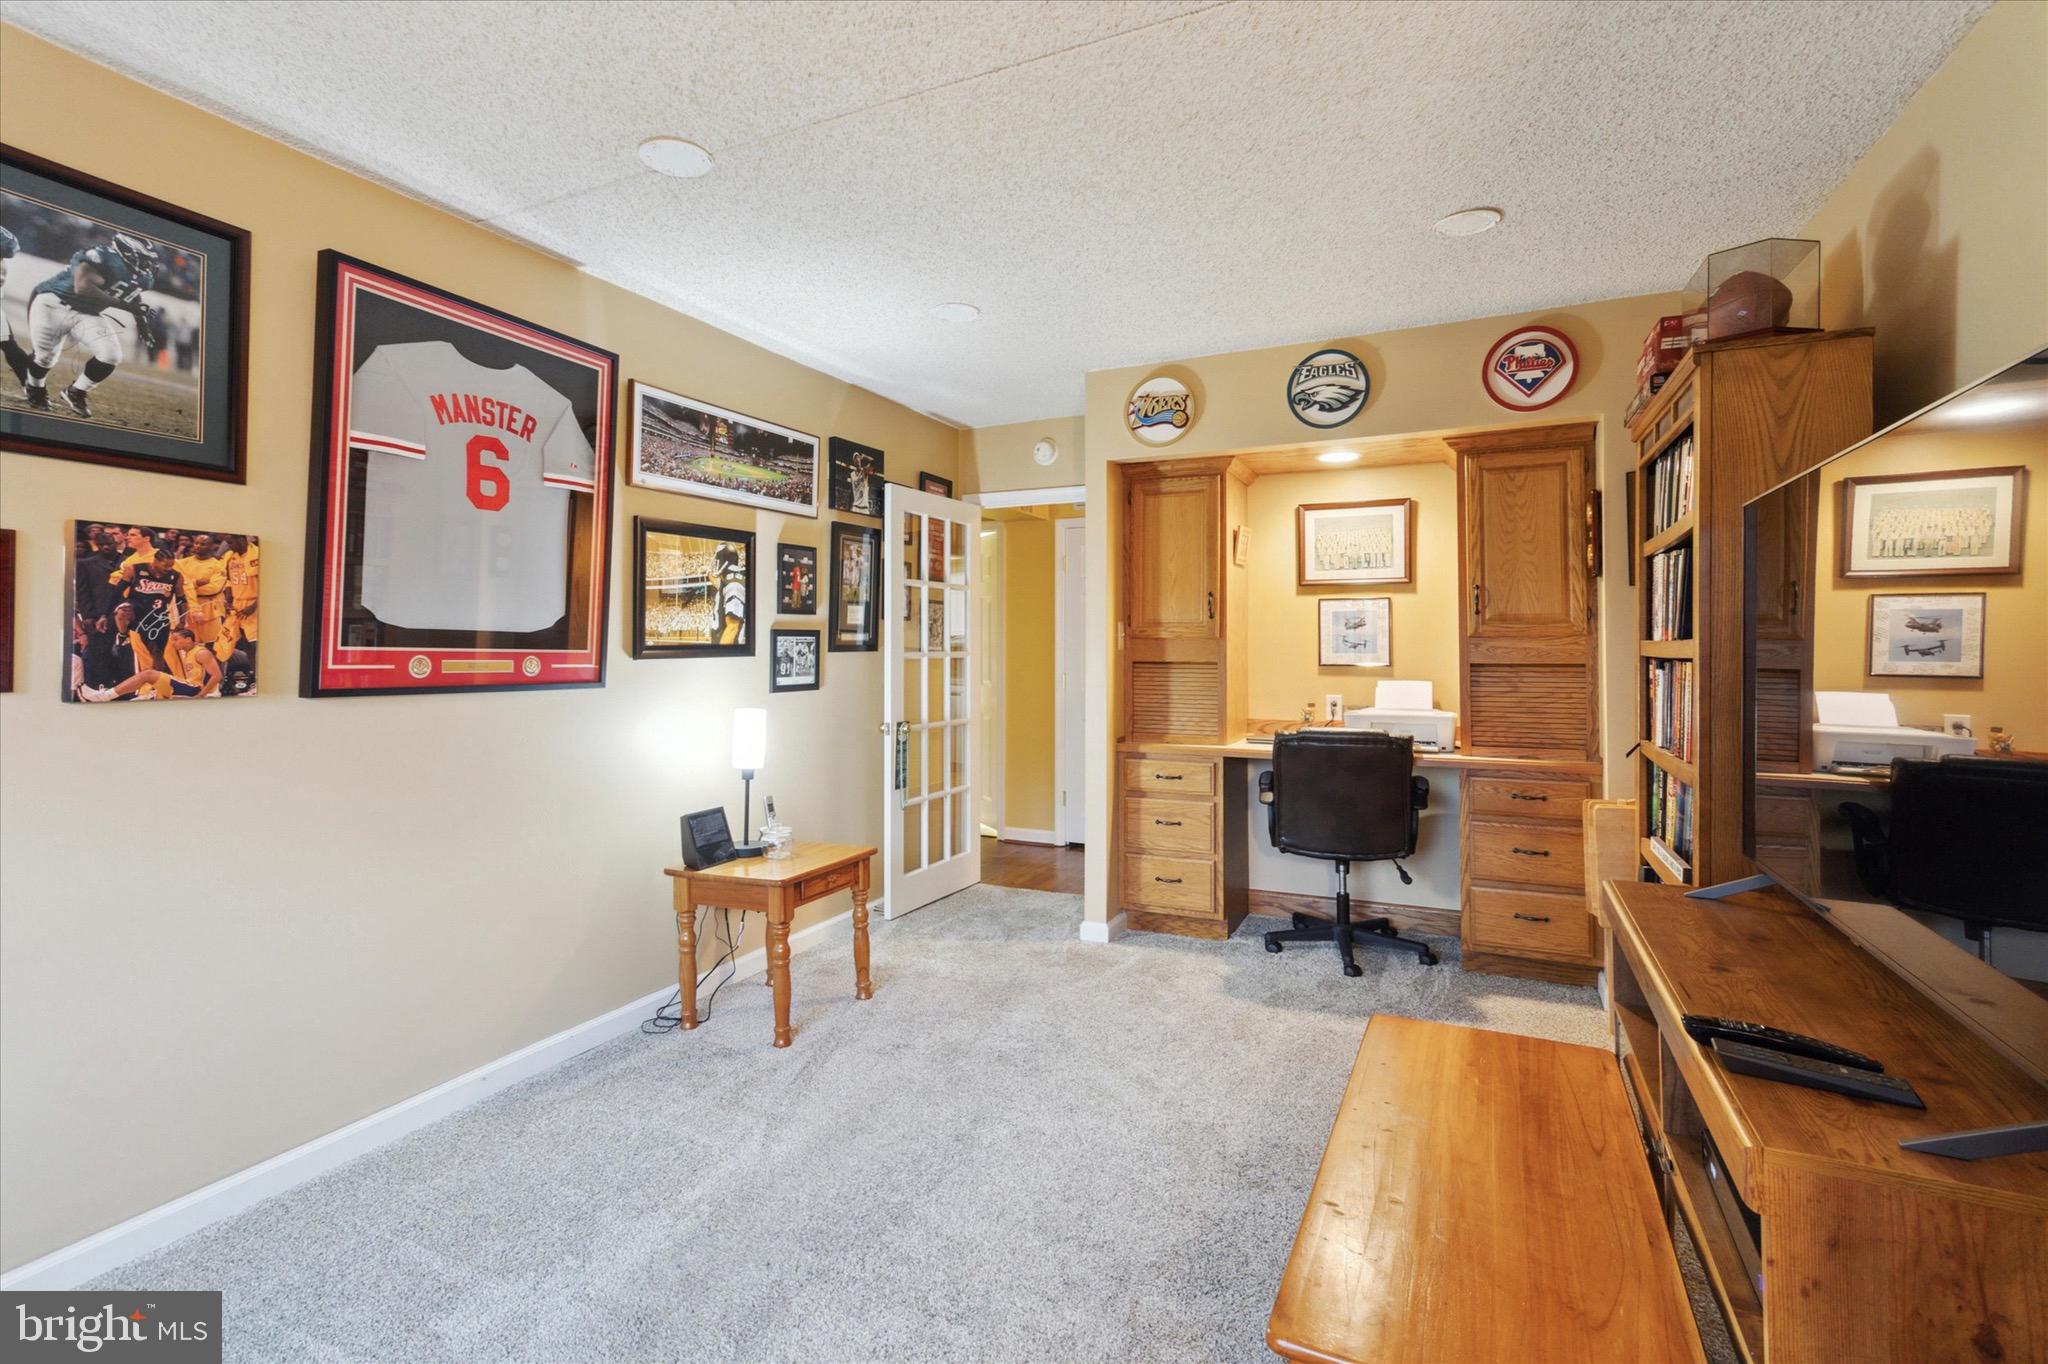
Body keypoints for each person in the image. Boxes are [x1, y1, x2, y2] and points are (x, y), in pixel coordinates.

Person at [22, 231, 164, 417]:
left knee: (110, 355)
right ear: (128, 253)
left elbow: (132, 294)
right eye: (145, 259)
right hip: (53, 304)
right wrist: (127, 307)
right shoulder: (101, 256)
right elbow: (82, 288)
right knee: (45, 358)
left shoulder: (142, 277)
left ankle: (76, 392)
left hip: (87, 313)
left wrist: (142, 324)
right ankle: (34, 388)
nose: (149, 266)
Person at [80, 626, 220, 701]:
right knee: (148, 679)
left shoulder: (201, 652)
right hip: (190, 686)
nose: (173, 642)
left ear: (188, 639)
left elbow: (217, 676)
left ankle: (105, 695)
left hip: (195, 689)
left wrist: (202, 695)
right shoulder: (189, 652)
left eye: (176, 639)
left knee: (148, 674)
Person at [176, 534, 229, 651]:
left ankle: (215, 669)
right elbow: (177, 585)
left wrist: (188, 587)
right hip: (187, 610)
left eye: (203, 544)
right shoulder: (182, 563)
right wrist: (195, 583)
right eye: (196, 543)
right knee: (188, 646)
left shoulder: (218, 565)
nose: (198, 546)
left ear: (212, 547)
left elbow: (214, 588)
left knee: (213, 646)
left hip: (210, 611)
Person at [219, 533, 258, 664]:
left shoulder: (258, 555)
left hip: (254, 605)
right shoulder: (230, 557)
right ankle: (255, 678)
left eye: (230, 542)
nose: (228, 546)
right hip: (237, 606)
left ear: (241, 539)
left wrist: (253, 607)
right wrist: (228, 601)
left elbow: (268, 586)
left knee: (256, 645)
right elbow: (228, 581)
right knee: (246, 644)